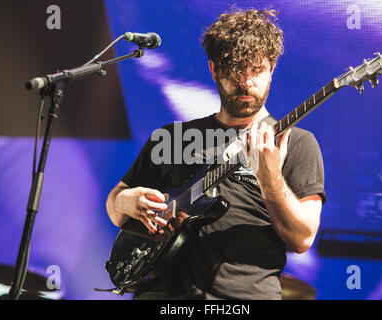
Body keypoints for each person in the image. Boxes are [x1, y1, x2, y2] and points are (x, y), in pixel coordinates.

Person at [106, 9, 326, 300]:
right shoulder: (171, 137)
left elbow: (302, 238)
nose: (246, 82)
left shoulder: (295, 143)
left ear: (272, 69)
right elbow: (114, 205)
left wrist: (269, 177)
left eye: (256, 69)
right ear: (214, 69)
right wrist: (127, 200)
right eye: (235, 70)